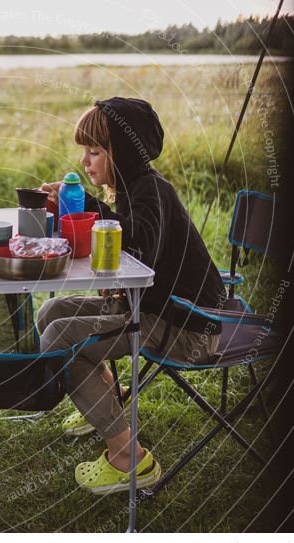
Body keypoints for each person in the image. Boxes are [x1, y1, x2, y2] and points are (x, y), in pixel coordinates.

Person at [39, 97, 226, 495]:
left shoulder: (151, 190)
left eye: (94, 152)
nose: (86, 162)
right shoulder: (130, 190)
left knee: (59, 337)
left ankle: (129, 458)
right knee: (51, 311)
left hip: (188, 326)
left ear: (121, 152)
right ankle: (105, 404)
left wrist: (86, 207)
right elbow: (129, 257)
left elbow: (139, 250)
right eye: (84, 152)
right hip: (158, 309)